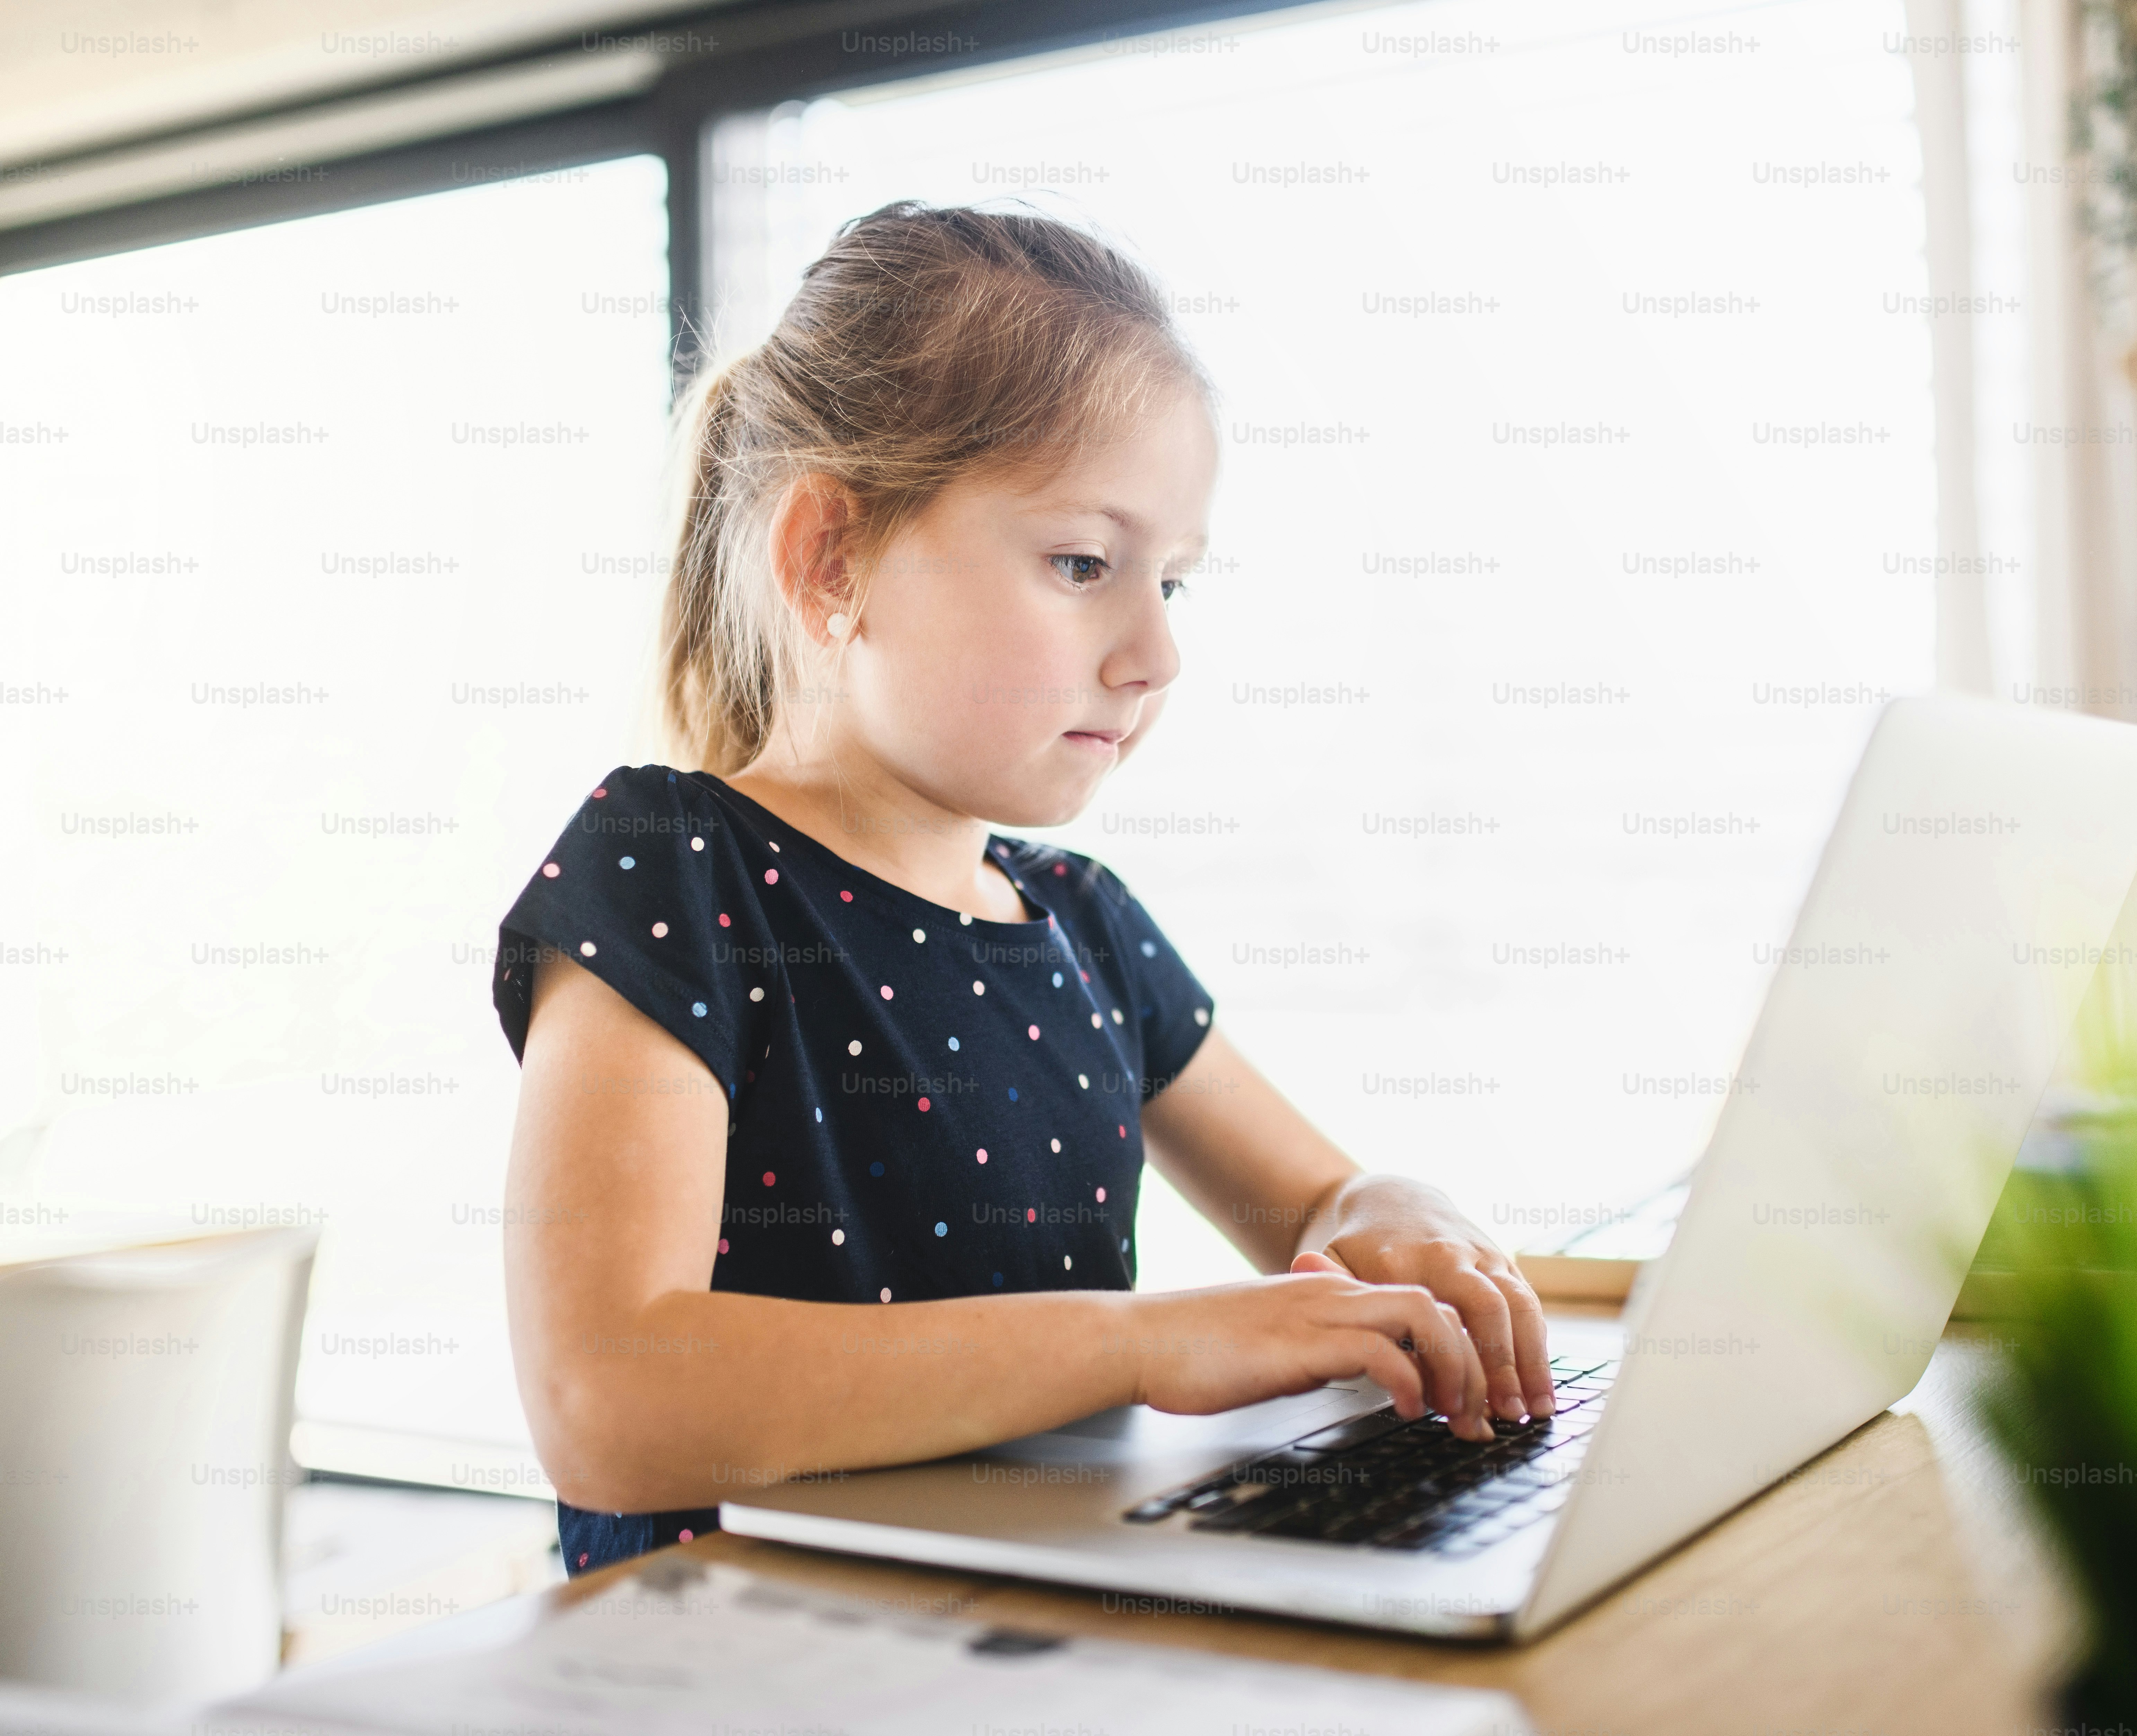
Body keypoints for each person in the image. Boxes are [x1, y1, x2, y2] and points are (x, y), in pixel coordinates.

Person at [492, 201, 1555, 1576]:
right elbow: (608, 1399)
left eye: (1172, 580)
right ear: (830, 558)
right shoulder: (674, 869)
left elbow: (1315, 1204)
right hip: (734, 1654)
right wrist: (1141, 1341)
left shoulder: (1084, 918)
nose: (1156, 650)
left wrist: (1393, 1208)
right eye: (1081, 563)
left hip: (1034, 1631)